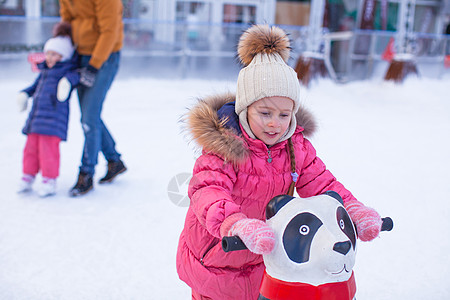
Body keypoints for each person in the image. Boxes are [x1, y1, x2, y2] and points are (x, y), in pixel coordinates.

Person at [176, 24, 384, 300]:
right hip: (219, 256)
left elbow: (322, 184)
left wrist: (351, 210)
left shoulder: (295, 146)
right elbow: (207, 193)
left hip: (268, 257)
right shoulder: (224, 146)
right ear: (244, 108)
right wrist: (236, 225)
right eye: (265, 113)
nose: (275, 123)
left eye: (284, 115)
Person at [58, 0, 127, 197]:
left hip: (104, 57)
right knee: (90, 116)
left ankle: (86, 173)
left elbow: (109, 31)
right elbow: (67, 20)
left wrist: (94, 65)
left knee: (89, 118)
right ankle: (115, 162)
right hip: (80, 55)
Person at [17, 25, 79, 197]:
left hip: (53, 120)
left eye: (54, 54)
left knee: (48, 151)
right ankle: (28, 175)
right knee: (30, 149)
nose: (49, 57)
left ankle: (49, 180)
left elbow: (74, 78)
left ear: (63, 56)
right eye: (48, 53)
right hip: (36, 118)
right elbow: (34, 87)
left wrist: (66, 83)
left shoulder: (67, 71)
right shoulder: (45, 72)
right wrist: (24, 94)